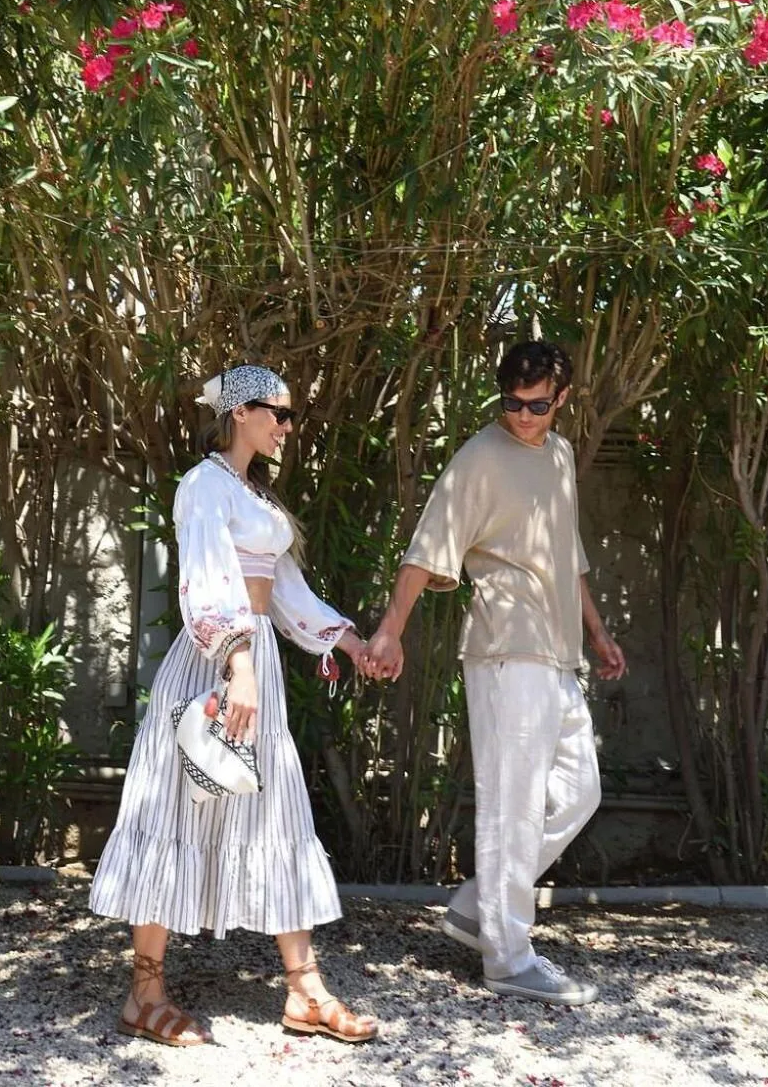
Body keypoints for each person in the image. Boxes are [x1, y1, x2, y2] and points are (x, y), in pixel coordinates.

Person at [90, 364, 378, 1047]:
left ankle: (305, 989)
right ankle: (144, 993)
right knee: (174, 812)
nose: (287, 428)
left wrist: (353, 643)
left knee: (275, 813)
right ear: (241, 412)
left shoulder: (255, 496)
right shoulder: (203, 486)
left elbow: (285, 592)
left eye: (289, 417)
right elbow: (207, 585)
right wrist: (238, 665)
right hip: (215, 668)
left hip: (256, 672)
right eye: (279, 414)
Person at [361, 340, 625, 1005]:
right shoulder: (480, 457)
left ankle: (480, 907)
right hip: (506, 650)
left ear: (561, 399)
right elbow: (427, 547)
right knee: (514, 807)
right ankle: (508, 957)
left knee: (579, 792)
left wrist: (597, 633)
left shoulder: (559, 456)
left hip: (557, 652)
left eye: (537, 404)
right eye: (512, 402)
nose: (524, 415)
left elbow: (569, 554)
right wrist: (391, 628)